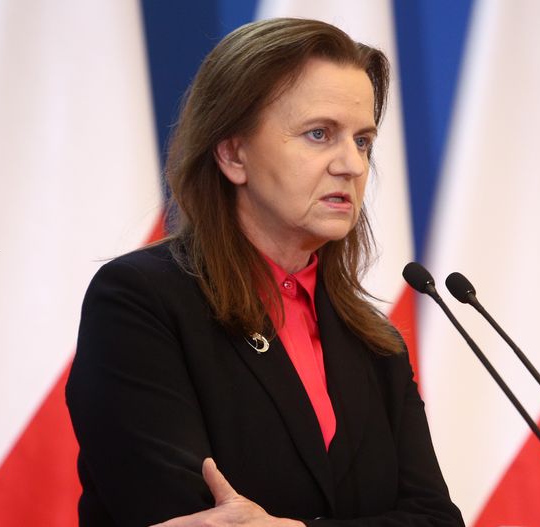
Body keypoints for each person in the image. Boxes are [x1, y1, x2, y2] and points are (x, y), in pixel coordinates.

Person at [66, 17, 464, 527]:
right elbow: (187, 518)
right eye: (319, 134)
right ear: (233, 153)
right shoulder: (141, 302)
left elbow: (436, 519)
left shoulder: (375, 343)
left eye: (363, 141)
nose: (353, 165)